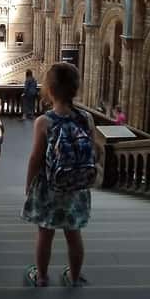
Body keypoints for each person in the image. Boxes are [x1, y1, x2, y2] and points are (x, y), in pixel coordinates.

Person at [21, 62, 97, 287]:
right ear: (76, 89)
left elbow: (36, 158)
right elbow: (91, 150)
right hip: (76, 187)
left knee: (45, 234)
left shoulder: (44, 121)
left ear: (49, 91)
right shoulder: (86, 118)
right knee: (74, 235)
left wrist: (29, 185)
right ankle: (74, 277)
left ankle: (42, 277)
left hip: (49, 188)